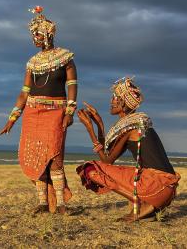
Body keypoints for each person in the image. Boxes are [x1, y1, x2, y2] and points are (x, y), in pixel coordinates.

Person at [0, 6, 77, 214]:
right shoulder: (32, 63)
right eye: (33, 35)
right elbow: (24, 92)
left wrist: (70, 111)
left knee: (55, 156)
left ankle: (60, 204)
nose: (35, 38)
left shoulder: (65, 58)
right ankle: (43, 202)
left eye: (39, 34)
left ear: (49, 34)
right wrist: (12, 118)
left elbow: (72, 86)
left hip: (56, 113)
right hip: (32, 114)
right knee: (35, 156)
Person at [76, 77, 180, 221]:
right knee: (101, 169)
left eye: (115, 98)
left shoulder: (130, 128)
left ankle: (141, 203)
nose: (111, 101)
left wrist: (89, 128)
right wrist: (99, 122)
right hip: (167, 190)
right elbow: (107, 152)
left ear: (124, 102)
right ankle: (147, 205)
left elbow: (107, 160)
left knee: (89, 169)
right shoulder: (138, 123)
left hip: (155, 186)